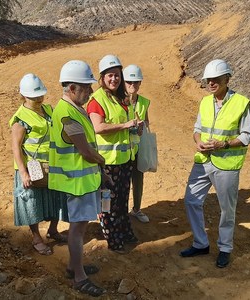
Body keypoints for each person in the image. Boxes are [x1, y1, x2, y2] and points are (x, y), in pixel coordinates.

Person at [180, 59, 250, 268]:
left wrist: (225, 144)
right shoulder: (205, 102)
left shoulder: (241, 103)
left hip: (227, 164)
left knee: (226, 209)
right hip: (203, 160)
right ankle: (200, 243)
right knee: (191, 201)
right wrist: (198, 142)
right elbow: (197, 129)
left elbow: (248, 135)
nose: (211, 83)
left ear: (227, 79)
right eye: (208, 80)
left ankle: (225, 248)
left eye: (215, 79)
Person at [49, 60, 106, 297]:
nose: (90, 91)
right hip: (77, 182)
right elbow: (84, 150)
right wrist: (102, 161)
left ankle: (74, 266)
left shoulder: (72, 109)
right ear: (72, 88)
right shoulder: (66, 115)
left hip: (80, 181)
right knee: (78, 230)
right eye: (86, 87)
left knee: (78, 227)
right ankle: (79, 277)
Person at [9, 73, 69, 256]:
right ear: (23, 96)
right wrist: (24, 173)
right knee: (33, 202)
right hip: (32, 166)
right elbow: (16, 148)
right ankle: (36, 237)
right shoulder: (20, 119)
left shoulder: (49, 110)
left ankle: (53, 230)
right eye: (33, 96)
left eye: (40, 95)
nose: (38, 99)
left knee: (56, 198)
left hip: (52, 163)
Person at [87, 55, 140, 253]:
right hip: (107, 163)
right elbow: (98, 127)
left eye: (117, 75)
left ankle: (123, 230)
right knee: (107, 203)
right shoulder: (97, 100)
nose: (114, 79)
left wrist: (135, 128)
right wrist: (124, 125)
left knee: (122, 200)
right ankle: (113, 238)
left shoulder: (122, 98)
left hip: (124, 160)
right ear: (102, 77)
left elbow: (126, 125)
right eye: (110, 75)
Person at [123, 64, 151, 223]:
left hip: (138, 147)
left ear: (140, 83)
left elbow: (147, 122)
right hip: (122, 148)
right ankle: (122, 211)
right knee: (123, 182)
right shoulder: (118, 102)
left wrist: (142, 126)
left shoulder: (144, 102)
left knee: (138, 179)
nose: (132, 85)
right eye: (129, 82)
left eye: (136, 82)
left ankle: (137, 209)